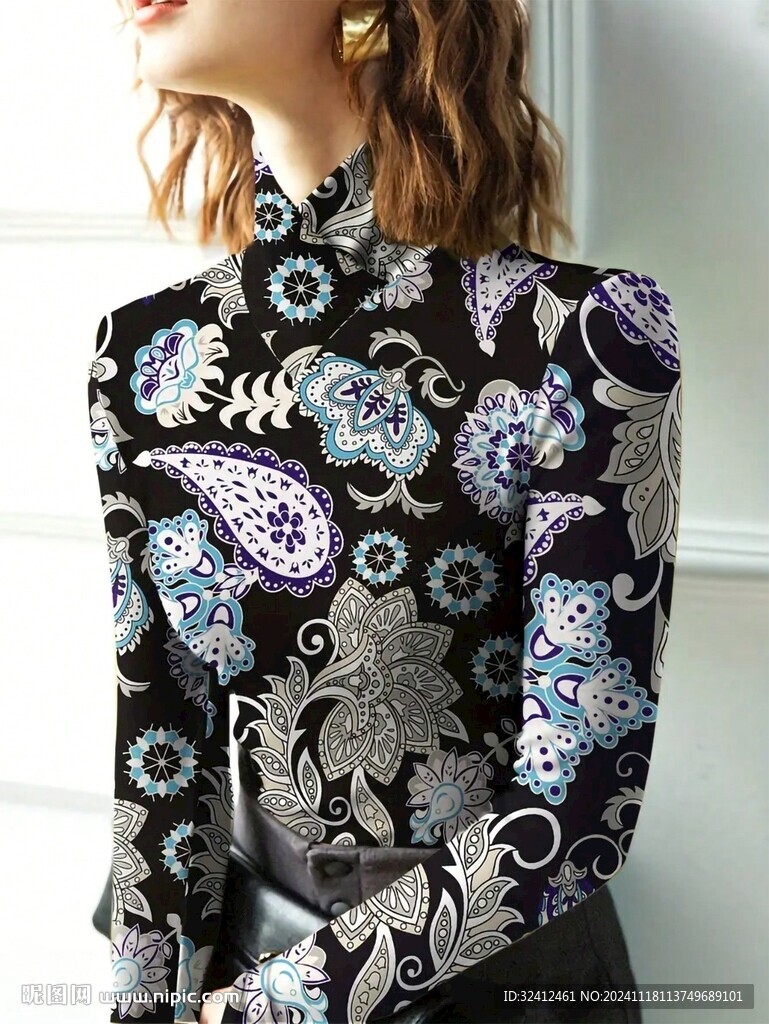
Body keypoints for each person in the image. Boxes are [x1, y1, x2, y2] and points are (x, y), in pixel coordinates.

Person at [88, 1, 683, 1022]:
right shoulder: (145, 362)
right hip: (244, 961)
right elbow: (162, 765)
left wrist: (278, 1006)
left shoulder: (584, 338)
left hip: (509, 991)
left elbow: (577, 813)